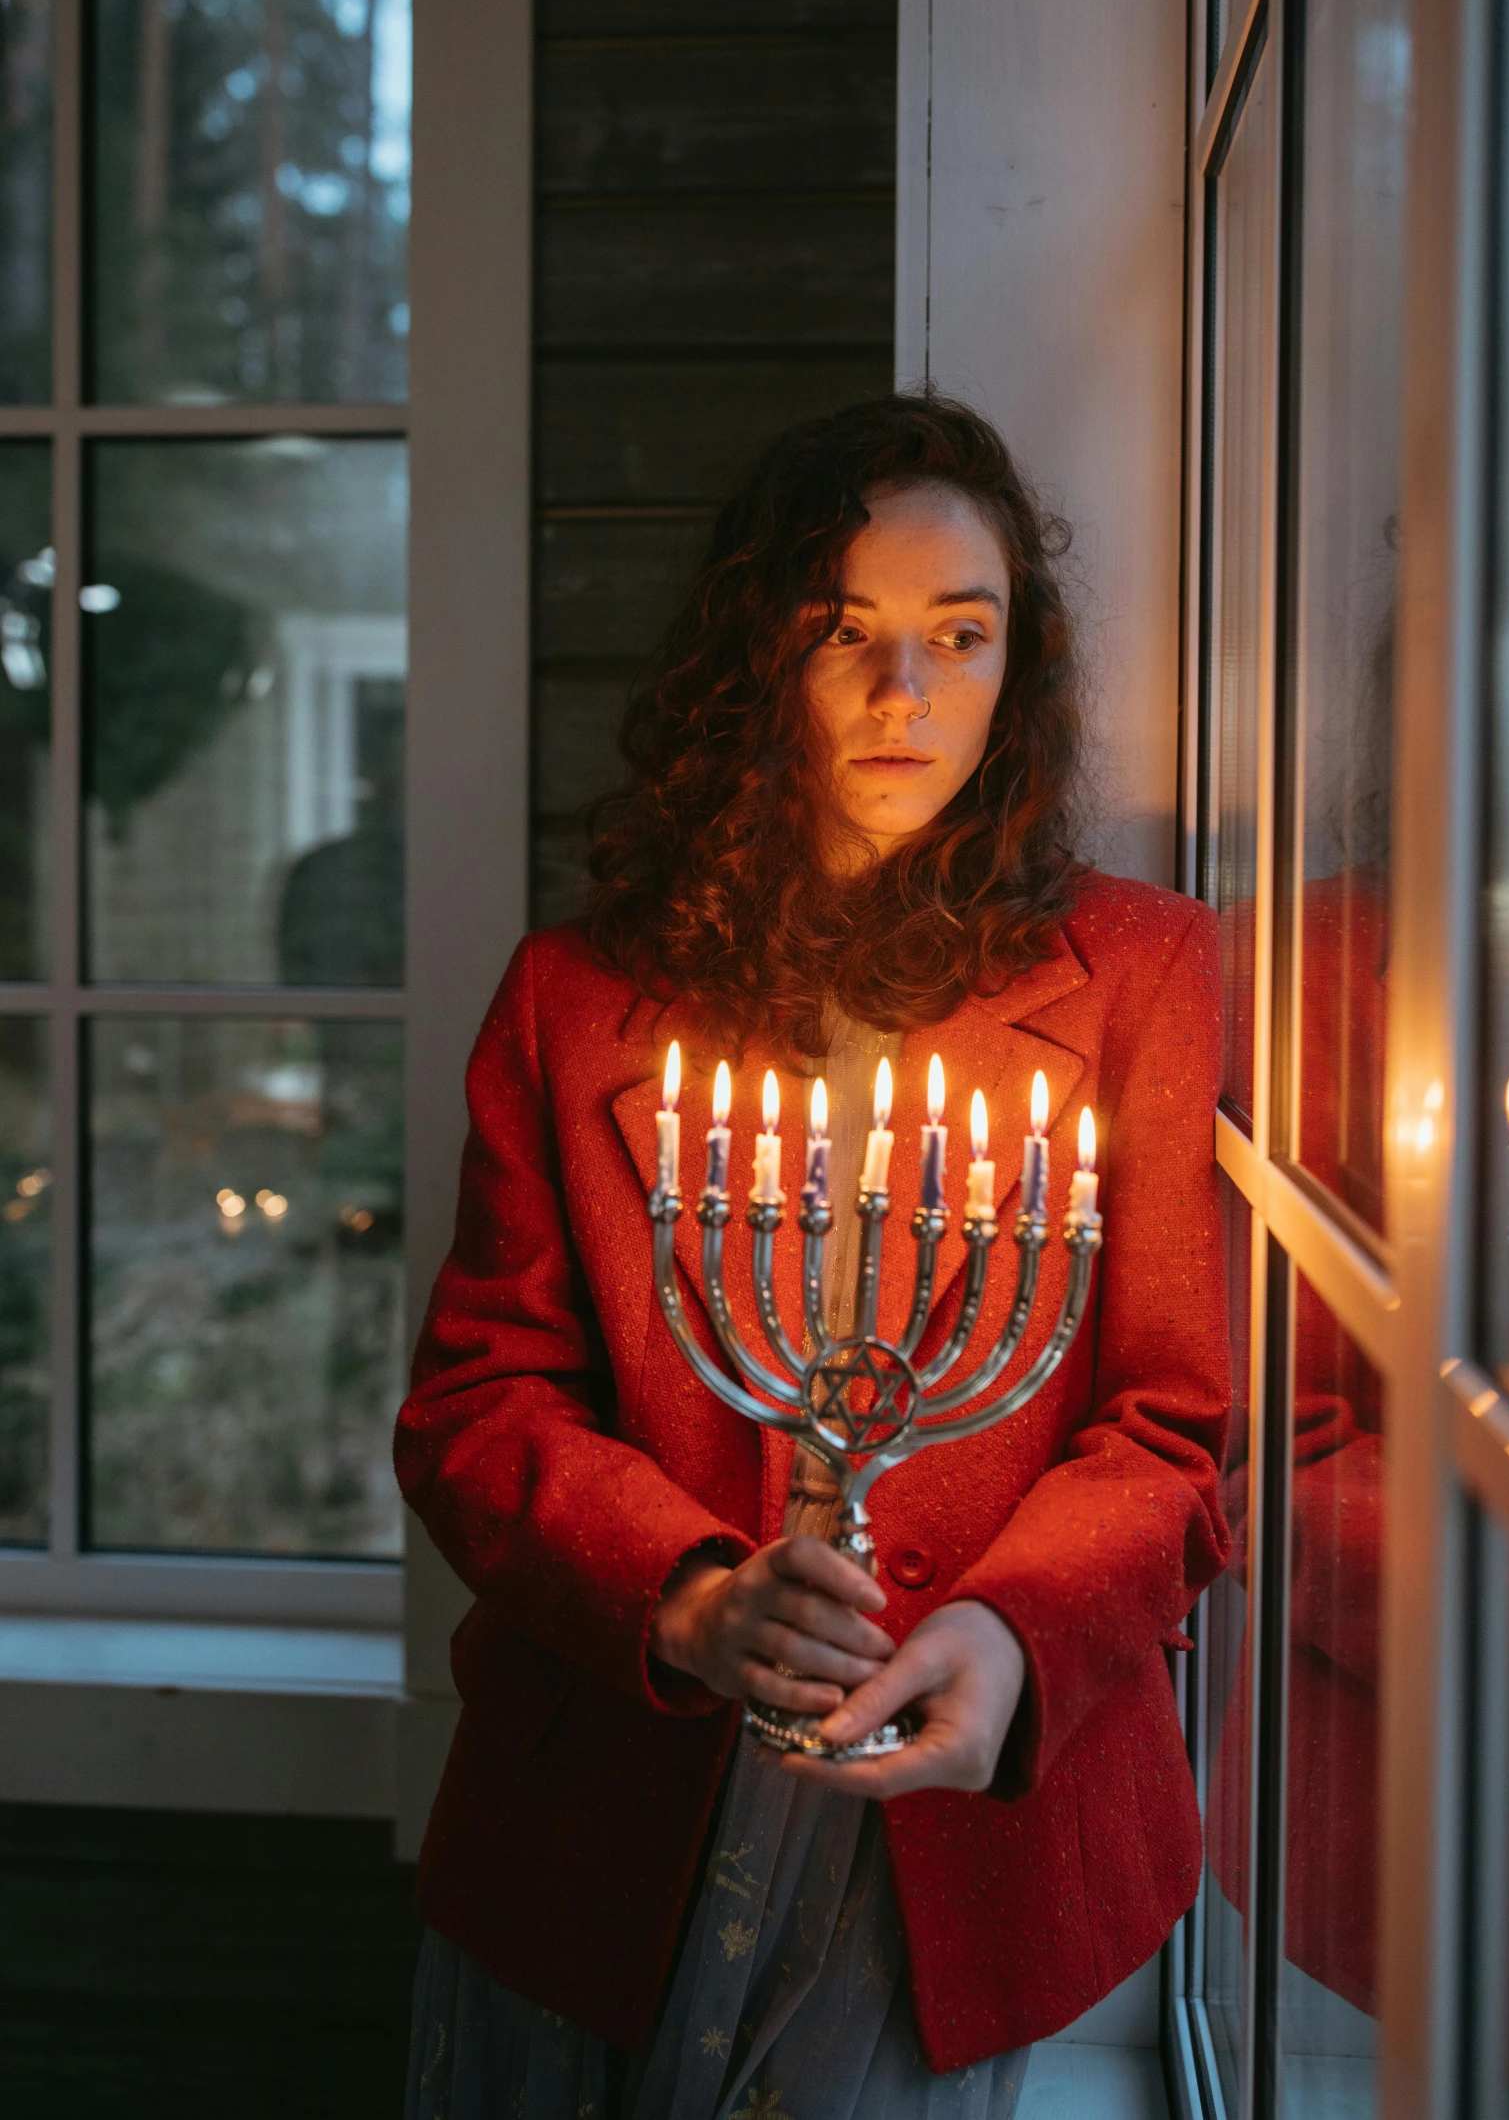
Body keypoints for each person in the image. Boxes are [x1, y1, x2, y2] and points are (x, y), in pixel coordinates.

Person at [396, 392, 1231, 2117]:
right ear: (755, 664)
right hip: (615, 1804)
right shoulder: (576, 998)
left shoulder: (1143, 975)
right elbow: (477, 1403)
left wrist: (1009, 1635)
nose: (902, 693)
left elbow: (1172, 1426)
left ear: (1019, 670)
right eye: (840, 632)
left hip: (956, 1818)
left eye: (958, 634)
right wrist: (690, 1597)